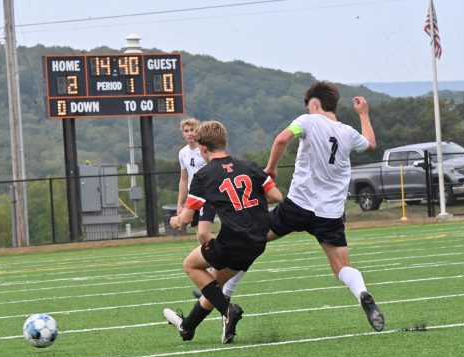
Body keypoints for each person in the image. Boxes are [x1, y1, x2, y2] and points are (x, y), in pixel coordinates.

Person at [264, 81, 385, 332]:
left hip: (298, 205)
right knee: (342, 267)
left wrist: (272, 168)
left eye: (309, 106)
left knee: (253, 236)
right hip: (329, 214)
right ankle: (362, 293)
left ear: (315, 103)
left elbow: (281, 139)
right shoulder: (347, 132)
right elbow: (371, 144)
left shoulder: (308, 121)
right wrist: (364, 114)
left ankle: (216, 288)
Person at [164, 120, 283, 343]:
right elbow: (277, 197)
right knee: (213, 286)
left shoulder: (203, 176)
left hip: (233, 241)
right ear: (225, 142)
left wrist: (176, 221)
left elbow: (186, 219)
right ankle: (187, 328)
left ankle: (229, 310)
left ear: (203, 148)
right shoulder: (249, 166)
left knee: (190, 265)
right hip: (258, 240)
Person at [177, 118, 246, 299]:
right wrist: (180, 202)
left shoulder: (204, 150)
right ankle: (214, 275)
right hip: (195, 197)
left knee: (203, 234)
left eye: (192, 129)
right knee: (201, 236)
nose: (189, 133)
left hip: (209, 195)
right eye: (186, 130)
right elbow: (184, 179)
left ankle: (217, 274)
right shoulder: (183, 153)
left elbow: (215, 170)